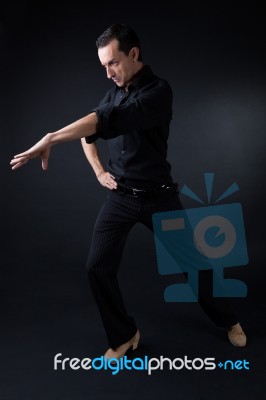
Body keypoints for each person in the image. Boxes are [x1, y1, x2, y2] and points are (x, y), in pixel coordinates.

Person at [10, 23, 247, 358]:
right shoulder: (114, 93)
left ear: (133, 53)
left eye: (113, 63)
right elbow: (88, 130)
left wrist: (50, 138)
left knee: (194, 266)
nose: (108, 72)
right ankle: (124, 335)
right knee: (96, 266)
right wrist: (99, 171)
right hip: (121, 198)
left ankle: (230, 321)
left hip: (159, 197)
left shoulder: (158, 92)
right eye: (103, 66)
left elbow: (103, 122)